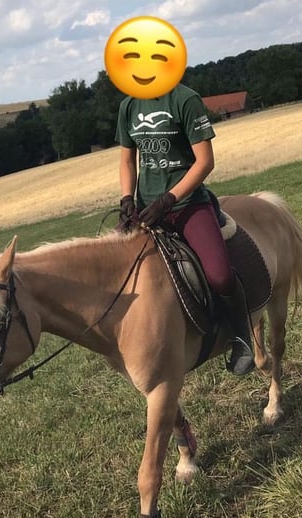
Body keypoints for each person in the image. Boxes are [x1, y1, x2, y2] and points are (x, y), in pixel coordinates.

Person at [115, 83, 254, 375]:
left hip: (188, 205)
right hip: (146, 210)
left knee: (219, 275)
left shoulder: (185, 99)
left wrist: (169, 199)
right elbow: (127, 160)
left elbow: (205, 161)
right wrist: (127, 197)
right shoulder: (129, 106)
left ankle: (243, 336)